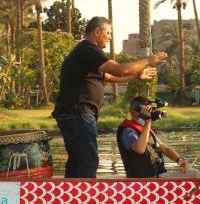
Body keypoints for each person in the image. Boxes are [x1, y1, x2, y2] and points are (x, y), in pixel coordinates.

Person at [52, 17, 163, 178]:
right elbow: (121, 70)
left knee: (77, 161)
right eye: (108, 33)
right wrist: (148, 60)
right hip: (79, 113)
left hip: (73, 114)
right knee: (88, 161)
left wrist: (136, 76)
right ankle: (85, 198)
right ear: (97, 32)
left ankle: (72, 199)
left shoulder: (85, 54)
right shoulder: (89, 50)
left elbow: (108, 76)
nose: (110, 37)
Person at [117, 96, 199, 178]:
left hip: (157, 176)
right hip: (143, 180)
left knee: (191, 171)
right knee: (195, 174)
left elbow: (165, 148)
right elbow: (140, 149)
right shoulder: (127, 131)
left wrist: (179, 160)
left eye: (150, 112)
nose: (149, 115)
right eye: (145, 112)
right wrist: (148, 122)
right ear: (133, 113)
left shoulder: (144, 130)